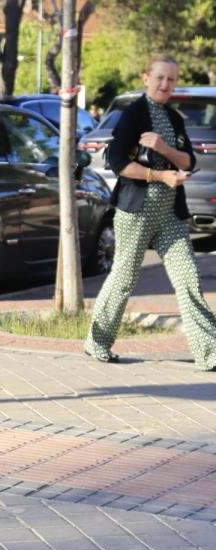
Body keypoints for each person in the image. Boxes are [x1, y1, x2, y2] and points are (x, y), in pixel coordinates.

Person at [84, 55, 216, 369]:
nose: (165, 84)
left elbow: (189, 162)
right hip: (136, 210)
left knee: (188, 278)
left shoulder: (174, 118)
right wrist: (160, 175)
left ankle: (208, 352)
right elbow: (117, 163)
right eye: (159, 78)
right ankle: (97, 341)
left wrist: (163, 149)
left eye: (171, 79)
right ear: (146, 78)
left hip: (170, 213)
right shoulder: (133, 114)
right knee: (124, 277)